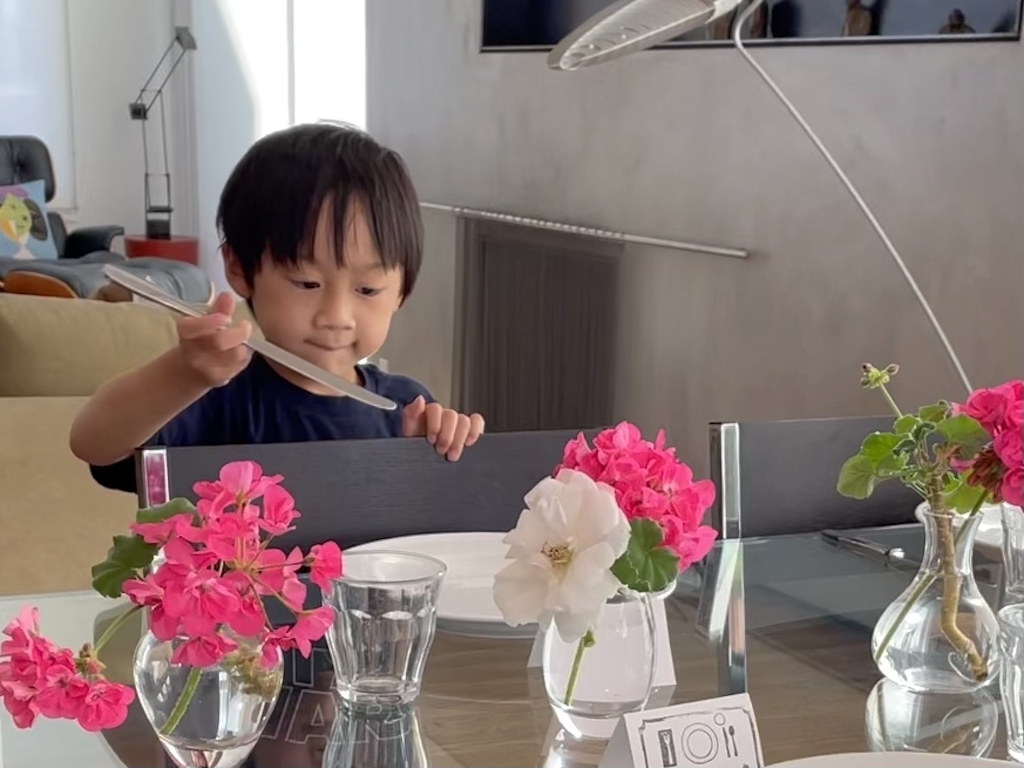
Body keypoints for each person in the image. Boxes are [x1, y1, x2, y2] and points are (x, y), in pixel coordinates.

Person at [71, 122, 485, 495]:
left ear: (402, 291)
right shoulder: (219, 398)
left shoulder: (406, 407)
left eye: (368, 288)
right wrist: (182, 373)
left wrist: (428, 461)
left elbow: (422, 538)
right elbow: (93, 445)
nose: (336, 316)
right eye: (307, 283)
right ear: (239, 268)